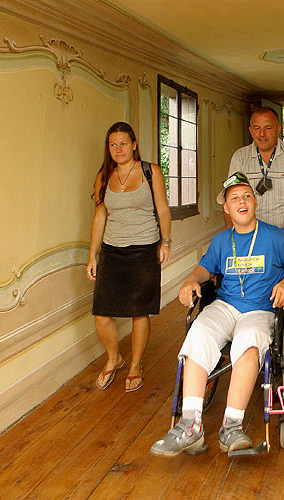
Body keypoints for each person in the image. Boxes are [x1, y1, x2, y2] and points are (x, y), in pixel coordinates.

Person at [150, 172, 284, 456]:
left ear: (256, 201)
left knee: (249, 343)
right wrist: (190, 280)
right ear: (226, 207)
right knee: (198, 332)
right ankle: (190, 425)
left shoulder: (275, 236)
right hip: (226, 305)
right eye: (234, 198)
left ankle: (232, 426)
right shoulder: (221, 241)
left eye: (246, 196)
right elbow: (205, 269)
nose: (241, 202)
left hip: (260, 308)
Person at [87, 122, 172, 392]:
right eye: (113, 145)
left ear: (134, 144)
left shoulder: (150, 171)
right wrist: (92, 255)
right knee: (102, 313)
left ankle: (135, 364)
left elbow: (163, 209)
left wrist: (165, 241)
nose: (118, 149)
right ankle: (114, 358)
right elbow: (100, 216)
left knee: (139, 311)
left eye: (123, 143)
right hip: (112, 250)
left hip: (144, 248)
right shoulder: (104, 175)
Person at [227, 107, 284, 246]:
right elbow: (231, 198)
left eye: (268, 128)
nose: (262, 134)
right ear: (250, 130)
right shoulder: (240, 157)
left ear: (278, 129)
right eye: (256, 128)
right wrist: (230, 236)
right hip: (250, 237)